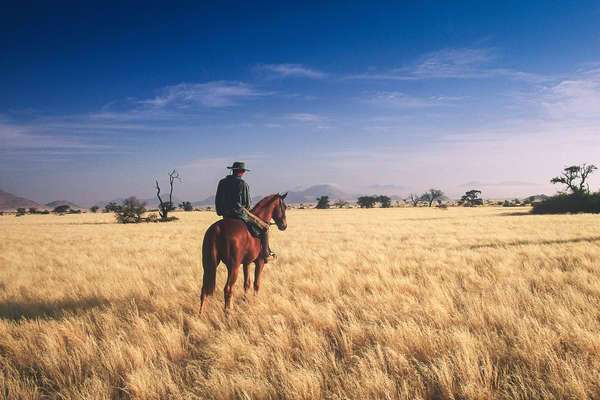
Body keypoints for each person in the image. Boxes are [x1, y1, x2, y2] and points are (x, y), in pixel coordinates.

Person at [215, 161, 275, 262]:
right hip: (239, 215)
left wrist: (222, 211)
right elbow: (247, 204)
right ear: (242, 172)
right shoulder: (242, 184)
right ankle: (265, 254)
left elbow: (217, 200)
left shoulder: (222, 182)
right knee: (265, 227)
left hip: (225, 215)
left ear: (233, 171)